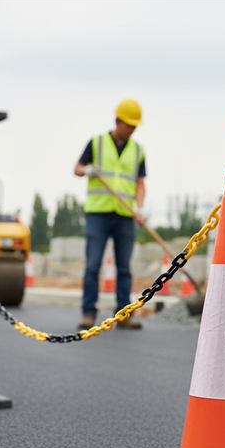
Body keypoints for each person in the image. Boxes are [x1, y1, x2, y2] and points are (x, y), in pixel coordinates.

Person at [74, 98, 146, 330]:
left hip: (125, 216)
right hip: (98, 214)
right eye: (129, 124)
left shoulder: (138, 150)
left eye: (135, 126)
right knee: (93, 265)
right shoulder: (96, 143)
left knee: (124, 268)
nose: (132, 129)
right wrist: (87, 170)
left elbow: (140, 183)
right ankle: (88, 313)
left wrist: (139, 209)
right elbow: (76, 168)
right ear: (118, 121)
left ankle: (123, 314)